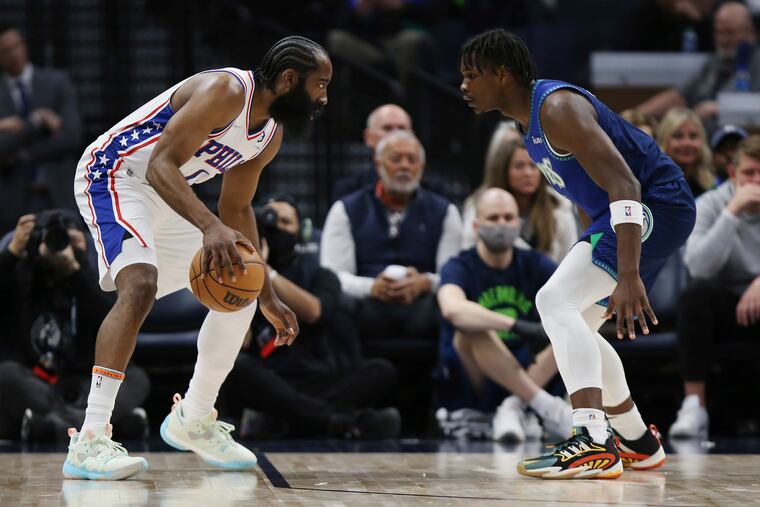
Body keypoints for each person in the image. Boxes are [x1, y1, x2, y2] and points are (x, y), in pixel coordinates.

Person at [65, 36, 332, 480]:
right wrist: (209, 227)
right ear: (289, 80)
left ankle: (195, 417)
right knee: (140, 286)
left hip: (167, 196)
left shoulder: (269, 134)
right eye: (320, 85)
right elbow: (160, 164)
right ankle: (89, 440)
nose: (323, 98)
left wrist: (265, 293)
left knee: (240, 285)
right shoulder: (226, 91)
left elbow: (238, 209)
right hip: (117, 174)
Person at [459, 29, 695, 479]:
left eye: (472, 75)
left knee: (553, 301)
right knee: (579, 327)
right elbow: (590, 194)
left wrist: (627, 276)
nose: (464, 86)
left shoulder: (557, 108)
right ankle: (638, 443)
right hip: (624, 214)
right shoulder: (524, 122)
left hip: (654, 203)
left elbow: (625, 185)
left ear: (502, 73)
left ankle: (592, 439)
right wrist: (593, 250)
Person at [226, 196, 400, 439]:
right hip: (271, 378)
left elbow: (315, 311)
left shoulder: (321, 275)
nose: (278, 228)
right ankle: (342, 422)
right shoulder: (242, 275)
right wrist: (248, 273)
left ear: (301, 231)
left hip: (318, 377)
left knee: (381, 371)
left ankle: (285, 419)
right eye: (271, 221)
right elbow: (240, 343)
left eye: (286, 222)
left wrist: (266, 271)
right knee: (239, 367)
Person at [0, 210, 149, 441]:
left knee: (137, 378)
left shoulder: (94, 277)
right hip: (38, 381)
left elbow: (114, 316)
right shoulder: (23, 275)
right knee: (6, 373)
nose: (58, 246)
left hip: (87, 384)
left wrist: (75, 269)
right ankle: (96, 426)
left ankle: (56, 426)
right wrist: (12, 252)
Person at [438, 188, 571, 442]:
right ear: (476, 226)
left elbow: (574, 301)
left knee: (572, 328)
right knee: (469, 329)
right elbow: (452, 308)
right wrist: (516, 325)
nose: (502, 225)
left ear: (519, 224)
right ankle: (546, 407)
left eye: (509, 218)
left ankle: (512, 406)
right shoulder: (458, 265)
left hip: (528, 365)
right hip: (476, 372)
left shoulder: (536, 263)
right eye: (493, 218)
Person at [321, 130, 462, 346]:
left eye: (412, 160)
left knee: (452, 304)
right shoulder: (346, 209)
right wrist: (371, 287)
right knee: (338, 304)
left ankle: (444, 375)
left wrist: (425, 283)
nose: (405, 166)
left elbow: (454, 274)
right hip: (367, 305)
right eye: (396, 159)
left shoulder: (445, 211)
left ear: (421, 168)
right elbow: (332, 275)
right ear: (378, 165)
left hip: (423, 306)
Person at [670, 135, 760, 438]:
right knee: (695, 295)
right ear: (733, 174)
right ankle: (694, 405)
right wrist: (731, 213)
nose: (756, 181)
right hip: (726, 308)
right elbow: (697, 266)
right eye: (749, 173)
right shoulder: (709, 204)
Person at [0, 24, 81, 231]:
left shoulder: (56, 82)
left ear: (24, 46)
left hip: (58, 193)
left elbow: (72, 136)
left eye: (15, 46)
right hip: (14, 203)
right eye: (5, 51)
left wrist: (22, 153)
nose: (13, 55)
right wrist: (35, 123)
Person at [462, 127, 578, 263]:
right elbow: (468, 258)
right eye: (519, 166)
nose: (528, 173)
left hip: (550, 282)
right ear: (503, 170)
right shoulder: (480, 205)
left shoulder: (559, 208)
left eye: (533, 166)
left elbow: (570, 260)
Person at [636, 2, 760, 122]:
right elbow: (678, 97)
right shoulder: (713, 62)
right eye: (719, 32)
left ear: (749, 31)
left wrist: (721, 108)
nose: (723, 40)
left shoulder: (756, 62)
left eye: (729, 33)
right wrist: (634, 116)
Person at [331, 103, 413, 202]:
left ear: (412, 136)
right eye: (387, 128)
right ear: (368, 137)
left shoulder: (432, 191)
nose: (395, 134)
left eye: (402, 128)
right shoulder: (349, 190)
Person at [656, 107, 716, 198]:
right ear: (664, 141)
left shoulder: (711, 185)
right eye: (678, 136)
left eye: (693, 136)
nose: (687, 143)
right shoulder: (653, 185)